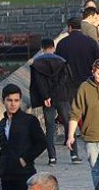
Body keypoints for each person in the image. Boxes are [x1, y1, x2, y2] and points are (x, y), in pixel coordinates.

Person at [30, 38, 81, 166]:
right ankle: (74, 155)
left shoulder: (37, 63)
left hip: (47, 100)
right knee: (69, 125)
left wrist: (46, 96)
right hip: (62, 98)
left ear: (42, 49)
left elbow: (38, 82)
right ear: (53, 48)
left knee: (50, 128)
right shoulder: (61, 61)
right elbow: (65, 80)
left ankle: (52, 157)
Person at [55, 17, 99, 88]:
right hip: (88, 81)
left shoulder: (62, 43)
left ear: (70, 27)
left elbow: (58, 64)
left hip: (69, 83)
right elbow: (98, 62)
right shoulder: (91, 42)